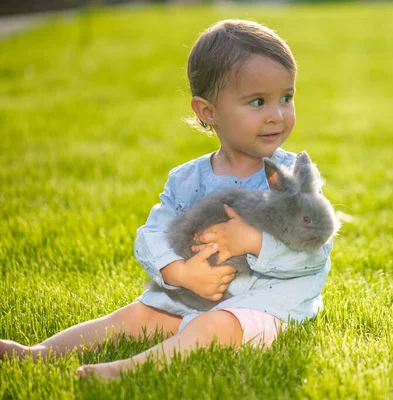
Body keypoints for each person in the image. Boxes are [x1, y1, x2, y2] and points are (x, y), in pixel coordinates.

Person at [0, 19, 334, 380]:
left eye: (287, 97)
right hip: (192, 295)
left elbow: (315, 253)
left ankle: (127, 370)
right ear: (207, 111)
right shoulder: (187, 178)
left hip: (264, 305)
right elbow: (152, 235)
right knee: (137, 315)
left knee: (212, 328)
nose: (277, 115)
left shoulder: (291, 179)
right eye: (258, 102)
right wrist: (180, 273)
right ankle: (40, 353)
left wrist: (255, 242)